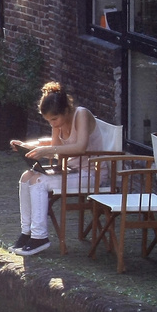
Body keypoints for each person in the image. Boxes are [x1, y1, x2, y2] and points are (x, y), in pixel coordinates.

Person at [10, 81, 105, 257]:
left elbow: (81, 147)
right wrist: (26, 146)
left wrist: (49, 150)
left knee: (38, 181)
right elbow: (54, 147)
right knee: (26, 176)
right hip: (72, 171)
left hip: (92, 173)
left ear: (66, 111)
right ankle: (27, 232)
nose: (52, 124)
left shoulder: (81, 114)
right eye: (48, 120)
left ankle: (40, 237)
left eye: (54, 119)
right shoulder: (59, 124)